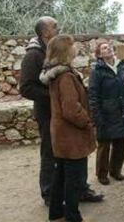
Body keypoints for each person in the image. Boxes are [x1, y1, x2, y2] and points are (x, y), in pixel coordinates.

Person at [19, 16, 103, 206]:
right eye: (54, 26)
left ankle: (80, 189)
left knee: (77, 151)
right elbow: (25, 88)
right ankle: (50, 195)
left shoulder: (57, 50)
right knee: (50, 153)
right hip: (49, 115)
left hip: (67, 112)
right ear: (44, 32)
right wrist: (57, 97)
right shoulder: (33, 55)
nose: (58, 28)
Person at [40, 34, 95, 222]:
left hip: (62, 135)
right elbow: (71, 110)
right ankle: (72, 217)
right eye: (72, 45)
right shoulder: (65, 77)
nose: (75, 48)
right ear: (65, 50)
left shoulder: (57, 73)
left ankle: (56, 215)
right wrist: (87, 122)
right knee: (73, 180)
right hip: (72, 137)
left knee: (61, 177)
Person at [88, 39, 124, 185]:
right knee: (104, 145)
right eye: (104, 48)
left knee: (121, 143)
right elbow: (93, 95)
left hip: (122, 110)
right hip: (106, 112)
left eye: (109, 47)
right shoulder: (96, 71)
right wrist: (97, 116)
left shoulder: (122, 66)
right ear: (99, 54)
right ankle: (102, 174)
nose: (108, 49)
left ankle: (115, 170)